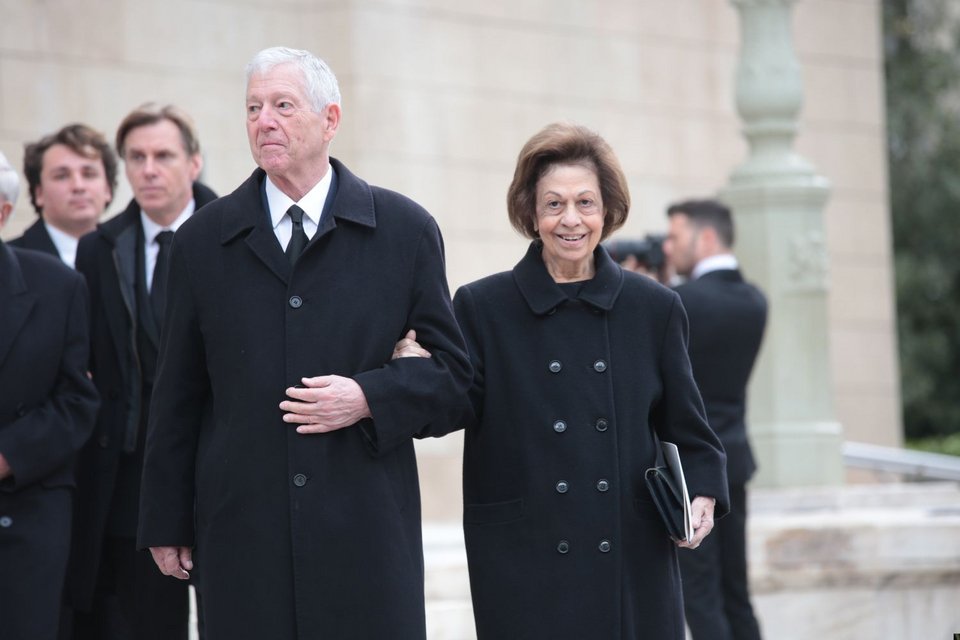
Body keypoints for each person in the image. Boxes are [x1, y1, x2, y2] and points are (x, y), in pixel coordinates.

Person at [136, 47, 472, 640]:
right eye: (253, 108)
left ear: (329, 120)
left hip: (364, 531)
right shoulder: (201, 242)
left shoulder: (404, 231)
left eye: (283, 106)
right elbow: (177, 394)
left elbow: (454, 382)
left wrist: (367, 396)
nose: (264, 121)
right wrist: (166, 520)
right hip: (243, 533)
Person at [401, 122, 729, 638]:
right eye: (553, 204)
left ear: (607, 211)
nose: (570, 219)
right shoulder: (483, 307)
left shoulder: (654, 308)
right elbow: (448, 408)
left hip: (630, 553)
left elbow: (689, 430)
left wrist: (703, 492)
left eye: (585, 203)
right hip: (524, 557)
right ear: (531, 213)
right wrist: (416, 371)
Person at [68, 104, 217, 640]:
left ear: (193, 163)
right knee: (147, 624)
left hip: (221, 463)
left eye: (163, 156)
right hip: (134, 475)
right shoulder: (98, 248)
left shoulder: (237, 234)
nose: (149, 170)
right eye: (136, 157)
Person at [0, 150, 100, 640]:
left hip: (25, 515)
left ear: (3, 211)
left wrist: (8, 455)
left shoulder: (58, 285)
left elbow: (78, 399)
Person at [664, 199, 767, 640]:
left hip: (690, 469)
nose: (667, 248)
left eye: (674, 237)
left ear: (705, 238)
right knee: (735, 592)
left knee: (700, 596)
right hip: (734, 460)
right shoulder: (754, 301)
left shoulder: (679, 302)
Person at [12, 124, 117, 266]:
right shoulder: (8, 262)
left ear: (108, 189)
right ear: (39, 193)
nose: (78, 186)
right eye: (62, 176)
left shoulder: (125, 258)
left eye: (89, 174)